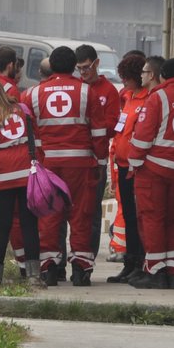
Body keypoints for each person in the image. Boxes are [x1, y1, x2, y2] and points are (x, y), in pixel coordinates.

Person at [27, 46, 113, 286]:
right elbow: (98, 133)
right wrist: (100, 161)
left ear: (51, 67)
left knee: (49, 216)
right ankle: (80, 270)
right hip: (81, 164)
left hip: (48, 166)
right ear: (74, 65)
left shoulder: (33, 94)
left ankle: (50, 269)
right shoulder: (87, 93)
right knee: (81, 216)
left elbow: (30, 134)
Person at [124, 56, 174, 289]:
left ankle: (155, 271)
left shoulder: (159, 96)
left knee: (150, 218)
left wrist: (133, 162)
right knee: (170, 219)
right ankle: (172, 270)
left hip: (153, 169)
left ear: (162, 75)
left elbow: (142, 137)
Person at [0, 69, 41, 285]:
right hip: (27, 174)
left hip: (2, 177)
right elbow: (37, 141)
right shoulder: (22, 110)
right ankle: (33, 275)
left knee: (1, 225)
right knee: (29, 224)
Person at [74, 44, 121, 267]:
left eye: (86, 68)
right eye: (79, 69)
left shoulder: (109, 91)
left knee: (91, 211)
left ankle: (87, 257)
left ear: (96, 64)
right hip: (74, 160)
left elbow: (112, 125)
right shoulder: (75, 89)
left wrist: (93, 128)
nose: (83, 73)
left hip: (96, 159)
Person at [106, 51, 149, 283]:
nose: (122, 81)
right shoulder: (129, 98)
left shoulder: (146, 100)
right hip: (123, 166)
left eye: (126, 77)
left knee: (136, 217)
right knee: (129, 217)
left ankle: (138, 262)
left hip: (136, 168)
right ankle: (129, 263)